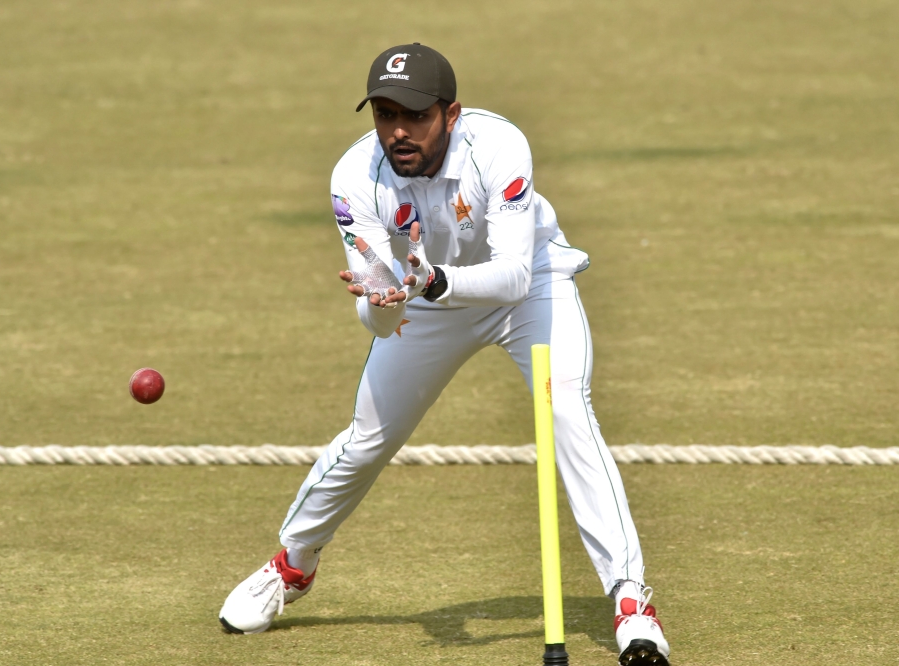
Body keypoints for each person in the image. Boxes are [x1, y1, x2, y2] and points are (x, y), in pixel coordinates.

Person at [219, 43, 671, 666]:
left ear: (450, 113)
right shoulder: (354, 178)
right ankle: (291, 565)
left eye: (414, 115)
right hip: (424, 296)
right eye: (383, 114)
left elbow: (512, 276)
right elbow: (381, 319)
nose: (397, 131)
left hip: (527, 289)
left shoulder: (500, 145)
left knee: (568, 410)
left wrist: (434, 282)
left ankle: (630, 602)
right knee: (367, 439)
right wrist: (384, 299)